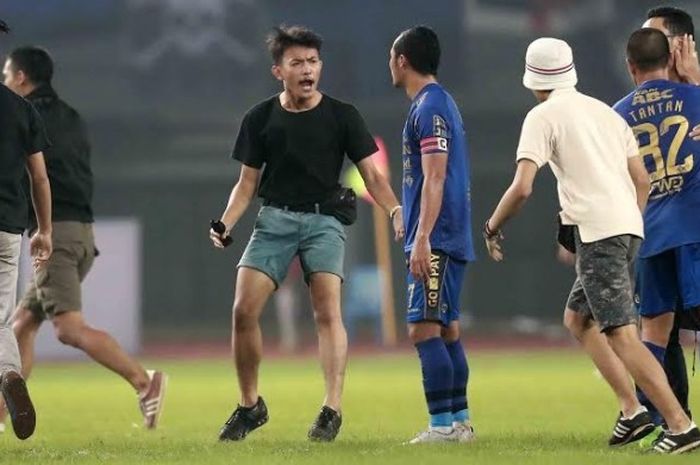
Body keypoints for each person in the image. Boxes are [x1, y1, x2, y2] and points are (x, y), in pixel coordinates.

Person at [483, 37, 700, 454]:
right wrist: (632, 221)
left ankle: (680, 424)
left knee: (621, 334)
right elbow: (641, 180)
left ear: (532, 79)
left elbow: (523, 186)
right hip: (629, 228)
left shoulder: (542, 116)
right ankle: (632, 411)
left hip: (599, 234)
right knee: (578, 319)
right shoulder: (604, 111)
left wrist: (492, 225)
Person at [210, 25, 404, 442]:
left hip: (324, 221)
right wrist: (225, 223)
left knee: (327, 312)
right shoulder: (260, 118)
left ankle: (331, 408)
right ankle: (250, 406)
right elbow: (246, 184)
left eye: (313, 61)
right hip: (274, 220)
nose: (307, 69)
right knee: (243, 310)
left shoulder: (342, 115)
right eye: (296, 62)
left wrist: (394, 209)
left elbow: (372, 174)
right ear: (278, 70)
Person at [0, 46, 167, 431]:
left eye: (8, 75)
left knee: (69, 328)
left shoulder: (21, 115)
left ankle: (145, 382)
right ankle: (5, 408)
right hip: (80, 230)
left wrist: (42, 229)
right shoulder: (72, 117)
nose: (6, 82)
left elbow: (35, 177)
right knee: (23, 323)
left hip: (55, 233)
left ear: (22, 77)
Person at [389, 26, 476, 444]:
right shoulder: (439, 103)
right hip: (445, 230)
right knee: (447, 330)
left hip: (438, 236)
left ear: (402, 60)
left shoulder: (430, 106)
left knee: (423, 329)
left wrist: (422, 236)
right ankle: (460, 422)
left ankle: (442, 426)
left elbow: (436, 175)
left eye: (392, 56)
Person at [614, 24, 700, 441]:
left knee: (653, 332)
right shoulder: (697, 97)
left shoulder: (616, 115)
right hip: (694, 228)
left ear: (630, 66)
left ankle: (659, 418)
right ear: (671, 60)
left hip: (648, 233)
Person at [0, 20, 52, 440]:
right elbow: (39, 177)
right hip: (7, 228)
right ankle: (9, 373)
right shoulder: (21, 108)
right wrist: (45, 230)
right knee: (1, 319)